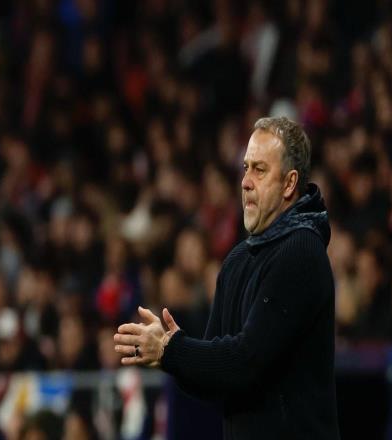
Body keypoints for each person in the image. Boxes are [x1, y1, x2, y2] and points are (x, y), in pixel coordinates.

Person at [114, 117, 340, 439]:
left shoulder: (300, 252)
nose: (245, 182)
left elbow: (247, 361)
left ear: (289, 184)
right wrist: (167, 354)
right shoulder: (237, 260)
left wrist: (171, 350)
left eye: (260, 170)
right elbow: (216, 379)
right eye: (246, 168)